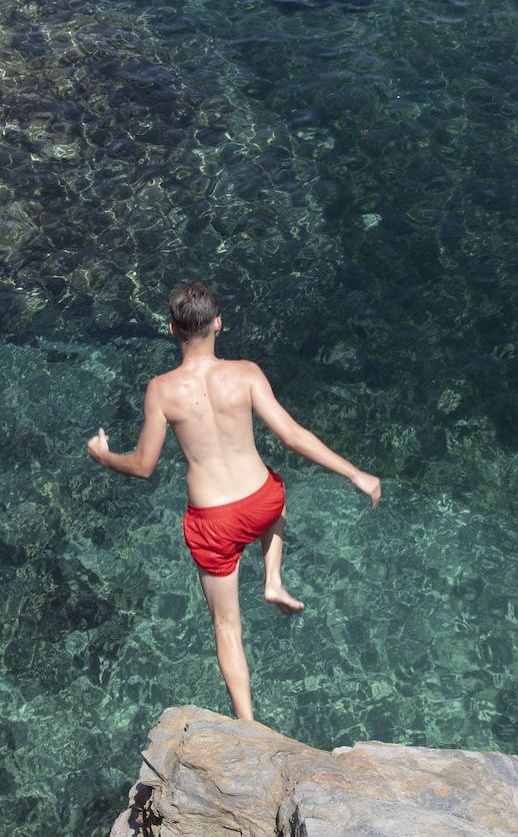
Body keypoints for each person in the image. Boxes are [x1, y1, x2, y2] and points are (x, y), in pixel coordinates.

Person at [86, 281, 381, 720]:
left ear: (172, 330)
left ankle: (247, 725)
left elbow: (144, 466)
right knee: (276, 498)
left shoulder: (162, 390)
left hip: (214, 521)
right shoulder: (245, 373)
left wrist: (104, 456)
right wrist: (355, 473)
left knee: (227, 627)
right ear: (218, 324)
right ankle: (273, 578)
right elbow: (292, 436)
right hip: (260, 500)